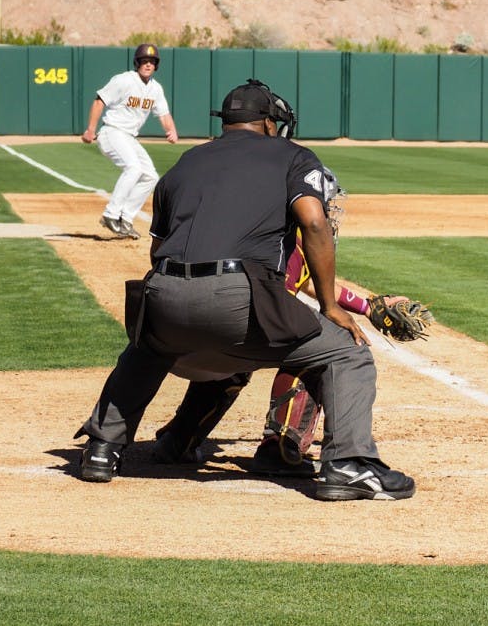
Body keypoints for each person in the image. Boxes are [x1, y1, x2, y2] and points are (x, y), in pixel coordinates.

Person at [74, 78, 415, 501]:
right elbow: (312, 222)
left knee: (146, 347)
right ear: (270, 123)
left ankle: (102, 449)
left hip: (161, 295)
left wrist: (185, 300)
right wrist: (331, 304)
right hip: (239, 298)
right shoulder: (292, 156)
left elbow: (158, 248)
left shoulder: (186, 162)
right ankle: (348, 464)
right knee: (346, 351)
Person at [151, 167, 426, 478]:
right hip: (239, 329)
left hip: (182, 333)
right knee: (320, 345)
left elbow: (311, 282)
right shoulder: (292, 240)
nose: (329, 210)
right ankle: (281, 447)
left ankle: (178, 440)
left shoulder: (259, 229)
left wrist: (368, 307)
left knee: (232, 362)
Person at [81, 43, 179, 240]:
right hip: (112, 132)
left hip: (129, 137)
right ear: (137, 62)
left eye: (152, 61)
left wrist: (171, 130)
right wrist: (90, 129)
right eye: (144, 61)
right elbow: (100, 100)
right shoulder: (124, 80)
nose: (148, 64)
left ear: (156, 65)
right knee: (133, 168)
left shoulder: (155, 89)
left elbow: (164, 113)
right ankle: (110, 214)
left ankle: (125, 219)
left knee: (150, 176)